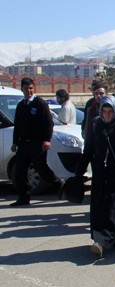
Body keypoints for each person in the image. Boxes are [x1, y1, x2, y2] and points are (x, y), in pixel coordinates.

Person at [75, 95, 115, 257]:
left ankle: (102, 241)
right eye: (104, 111)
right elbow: (89, 149)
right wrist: (79, 172)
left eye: (110, 111)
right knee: (98, 208)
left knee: (114, 208)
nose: (107, 114)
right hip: (100, 173)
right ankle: (112, 237)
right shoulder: (96, 124)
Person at [10, 77, 64, 206]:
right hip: (24, 144)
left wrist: (46, 140)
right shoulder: (21, 105)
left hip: (37, 143)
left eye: (31, 88)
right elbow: (17, 125)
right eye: (26, 88)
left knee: (42, 169)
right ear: (22, 89)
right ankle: (23, 198)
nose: (28, 91)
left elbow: (48, 124)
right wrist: (15, 142)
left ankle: (59, 185)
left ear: (33, 89)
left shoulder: (40, 104)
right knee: (20, 172)